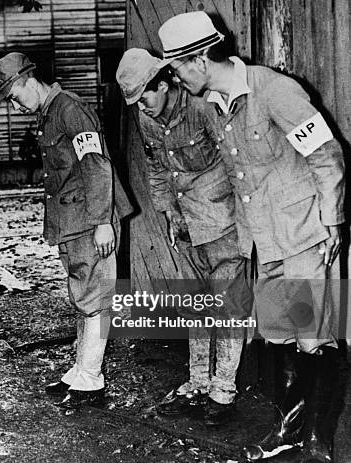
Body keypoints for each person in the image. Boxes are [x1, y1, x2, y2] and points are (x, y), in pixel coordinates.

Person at [158, 11, 345, 462]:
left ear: (201, 58)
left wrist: (332, 220)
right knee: (280, 336)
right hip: (264, 240)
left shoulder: (274, 90)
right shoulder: (214, 105)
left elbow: (325, 154)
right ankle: (289, 432)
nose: (177, 78)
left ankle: (317, 442)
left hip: (300, 233)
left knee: (312, 337)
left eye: (179, 68)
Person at [0, 52, 133, 413]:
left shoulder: (70, 109)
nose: (14, 105)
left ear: (29, 80)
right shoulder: (48, 114)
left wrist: (103, 221)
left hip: (90, 220)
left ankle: (92, 378)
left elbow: (97, 164)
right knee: (83, 297)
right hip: (72, 222)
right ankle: (81, 371)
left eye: (14, 95)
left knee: (96, 299)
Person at [116, 48, 250, 426]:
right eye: (136, 103)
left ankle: (223, 391)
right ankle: (197, 382)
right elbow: (157, 169)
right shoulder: (148, 120)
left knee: (227, 308)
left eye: (146, 97)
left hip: (221, 221)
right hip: (185, 223)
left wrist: (242, 218)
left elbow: (236, 164)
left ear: (164, 84)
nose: (142, 107)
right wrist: (169, 212)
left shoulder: (202, 107)